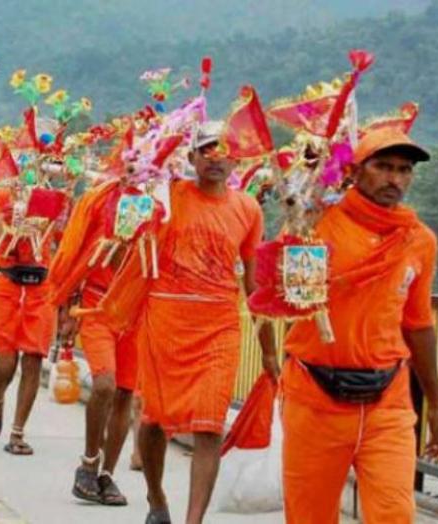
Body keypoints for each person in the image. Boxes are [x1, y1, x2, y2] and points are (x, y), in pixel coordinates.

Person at [101, 121, 276, 523]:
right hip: (164, 321)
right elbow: (124, 242)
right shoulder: (167, 197)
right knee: (153, 420)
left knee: (210, 425)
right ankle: (156, 498)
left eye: (224, 151)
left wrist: (268, 349)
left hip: (219, 325)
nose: (216, 158)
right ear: (192, 157)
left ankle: (192, 520)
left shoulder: (247, 209)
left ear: (236, 159)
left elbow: (253, 283)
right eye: (206, 150)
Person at [281, 128, 438, 524]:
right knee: (309, 516)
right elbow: (287, 301)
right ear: (356, 170)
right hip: (314, 395)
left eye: (404, 170)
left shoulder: (419, 240)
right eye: (383, 167)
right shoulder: (314, 226)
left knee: (395, 514)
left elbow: (419, 324)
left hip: (387, 399)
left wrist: (437, 405)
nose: (395, 179)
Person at [50, 179, 144, 506]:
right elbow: (80, 254)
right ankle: (89, 462)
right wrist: (67, 311)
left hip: (135, 314)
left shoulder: (165, 204)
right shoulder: (104, 199)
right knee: (105, 384)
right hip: (96, 306)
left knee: (124, 394)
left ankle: (107, 475)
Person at [0, 184, 59, 456]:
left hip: (40, 288)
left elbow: (64, 238)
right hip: (7, 286)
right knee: (6, 364)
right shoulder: (2, 195)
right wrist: (7, 217)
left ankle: (17, 433)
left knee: (34, 360)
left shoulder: (51, 197)